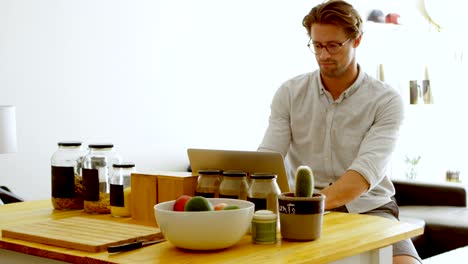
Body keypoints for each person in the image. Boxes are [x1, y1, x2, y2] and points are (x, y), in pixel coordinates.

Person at [258, 1, 421, 263]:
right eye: (317, 45)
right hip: (301, 210)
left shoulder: (386, 100)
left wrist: (303, 204)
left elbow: (362, 176)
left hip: (370, 208)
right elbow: (268, 158)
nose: (324, 55)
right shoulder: (289, 93)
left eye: (333, 45)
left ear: (356, 40)